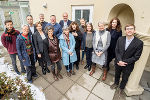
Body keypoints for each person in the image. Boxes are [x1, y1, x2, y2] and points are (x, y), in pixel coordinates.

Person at [110, 24, 143, 95]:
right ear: (125, 31)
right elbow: (117, 50)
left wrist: (124, 62)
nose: (129, 30)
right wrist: (119, 60)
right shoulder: (120, 39)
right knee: (117, 74)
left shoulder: (139, 43)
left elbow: (136, 56)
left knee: (125, 77)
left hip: (128, 65)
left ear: (134, 30)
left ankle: (121, 88)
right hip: (118, 62)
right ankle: (116, 83)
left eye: (131, 29)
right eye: (127, 29)